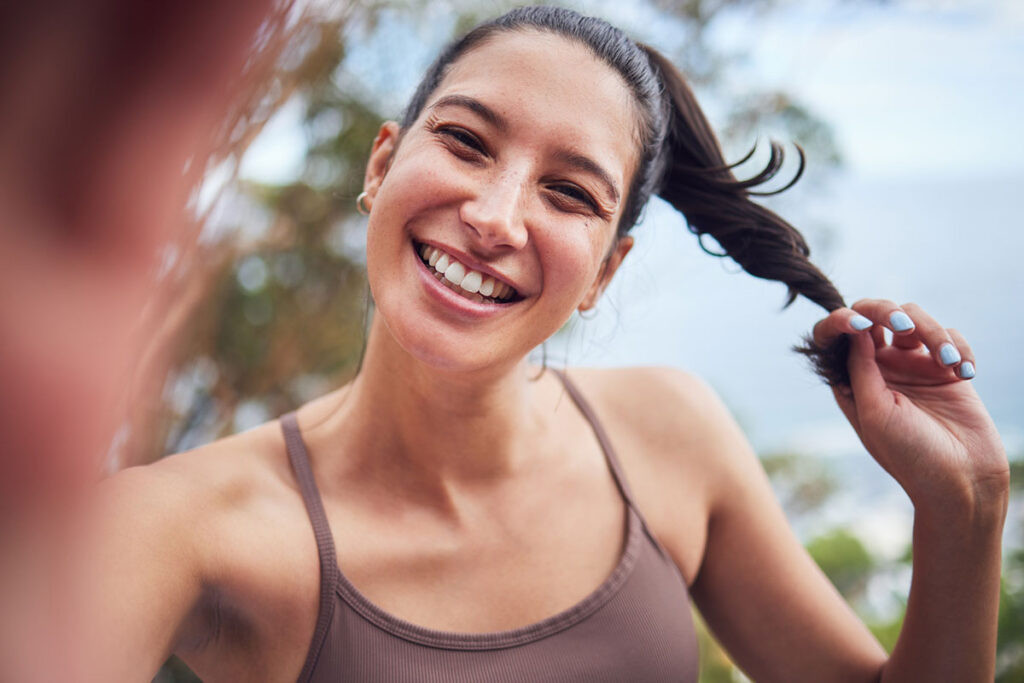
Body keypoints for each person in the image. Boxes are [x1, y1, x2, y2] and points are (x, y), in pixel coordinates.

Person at [81, 6, 1009, 682]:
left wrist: (962, 507)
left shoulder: (670, 431)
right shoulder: (175, 527)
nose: (494, 218)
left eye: (570, 193)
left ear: (605, 270)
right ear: (380, 165)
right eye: (465, 142)